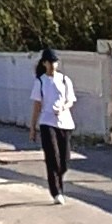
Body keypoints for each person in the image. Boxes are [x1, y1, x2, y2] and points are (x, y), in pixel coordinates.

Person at [29, 48, 75, 199]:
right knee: (52, 157)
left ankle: (58, 180)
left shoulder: (65, 80)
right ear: (44, 63)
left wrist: (63, 107)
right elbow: (37, 105)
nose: (53, 65)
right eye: (50, 62)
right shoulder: (41, 81)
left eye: (55, 62)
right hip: (47, 122)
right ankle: (56, 191)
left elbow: (71, 100)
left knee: (64, 160)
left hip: (65, 122)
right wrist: (33, 127)